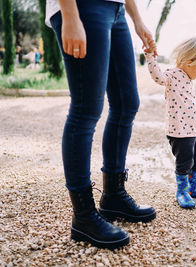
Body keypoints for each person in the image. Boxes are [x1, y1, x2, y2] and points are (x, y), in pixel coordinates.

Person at [45, 0, 157, 249]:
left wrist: (137, 19)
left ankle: (113, 196)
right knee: (86, 108)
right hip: (83, 7)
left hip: (115, 9)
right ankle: (83, 216)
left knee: (127, 103)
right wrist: (70, 15)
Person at [144, 37, 196, 209]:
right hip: (179, 132)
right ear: (189, 62)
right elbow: (158, 77)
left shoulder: (188, 80)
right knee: (184, 162)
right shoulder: (172, 75)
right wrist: (150, 57)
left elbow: (184, 96)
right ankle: (182, 191)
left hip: (193, 130)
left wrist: (193, 101)